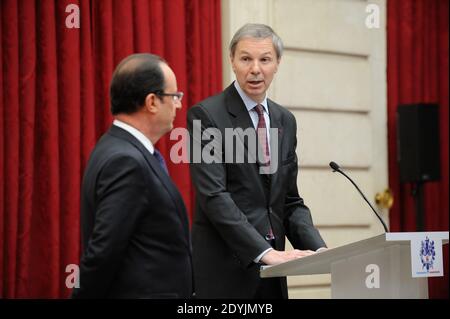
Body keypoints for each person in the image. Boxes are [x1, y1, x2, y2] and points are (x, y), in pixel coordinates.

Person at [187, 23, 326, 299]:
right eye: (246, 58)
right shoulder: (207, 116)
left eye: (265, 59)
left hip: (273, 276)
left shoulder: (284, 120)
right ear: (232, 61)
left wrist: (318, 250)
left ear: (277, 64)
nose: (255, 69)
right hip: (225, 273)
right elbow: (213, 196)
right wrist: (264, 252)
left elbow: (289, 200)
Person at [72, 53, 193, 298]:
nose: (179, 104)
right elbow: (103, 252)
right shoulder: (125, 161)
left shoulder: (118, 147)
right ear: (151, 102)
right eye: (174, 96)